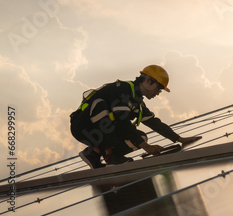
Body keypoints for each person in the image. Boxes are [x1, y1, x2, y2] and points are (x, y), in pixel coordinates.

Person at [70, 64, 201, 169]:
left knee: (142, 137)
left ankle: (94, 154)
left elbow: (154, 123)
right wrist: (146, 147)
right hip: (82, 125)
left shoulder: (138, 103)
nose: (158, 93)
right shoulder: (122, 89)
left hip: (98, 131)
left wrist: (179, 139)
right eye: (159, 88)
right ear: (149, 81)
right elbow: (122, 121)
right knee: (100, 105)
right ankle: (110, 156)